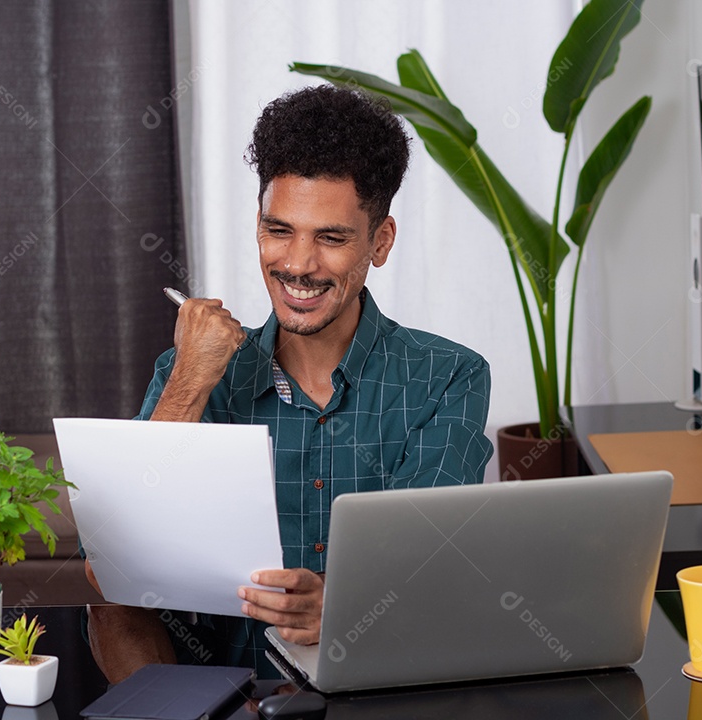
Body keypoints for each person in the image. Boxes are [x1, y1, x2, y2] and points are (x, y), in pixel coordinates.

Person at [86, 84, 493, 682]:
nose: (298, 264)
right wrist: (191, 379)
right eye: (280, 231)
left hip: (381, 682)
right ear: (258, 226)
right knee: (109, 602)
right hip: (220, 692)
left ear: (379, 242)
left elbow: (428, 564)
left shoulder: (448, 376)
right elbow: (109, 569)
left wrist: (342, 599)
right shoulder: (196, 373)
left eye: (330, 238)